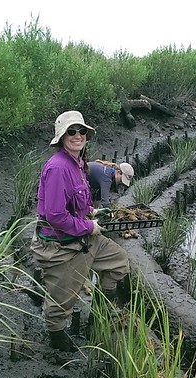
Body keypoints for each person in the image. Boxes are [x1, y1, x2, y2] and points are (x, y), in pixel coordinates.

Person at [29, 110, 130, 353]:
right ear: (61, 137)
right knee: (62, 300)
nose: (77, 135)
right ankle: (57, 338)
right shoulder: (58, 168)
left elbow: (77, 204)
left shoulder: (78, 164)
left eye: (81, 131)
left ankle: (100, 311)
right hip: (60, 244)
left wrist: (92, 214)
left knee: (119, 262)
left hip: (83, 236)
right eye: (71, 131)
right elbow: (54, 215)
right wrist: (89, 226)